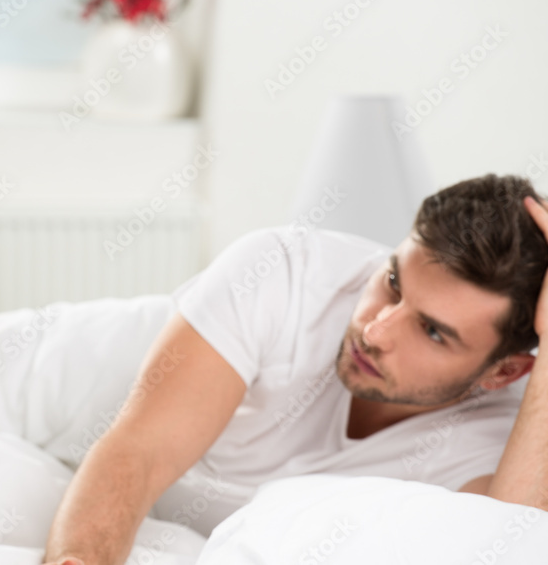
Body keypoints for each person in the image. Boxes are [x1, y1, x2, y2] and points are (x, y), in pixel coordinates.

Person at [41, 174, 548, 565]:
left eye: (433, 331)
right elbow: (140, 452)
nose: (375, 331)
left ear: (504, 374)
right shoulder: (282, 273)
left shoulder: (496, 444)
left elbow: (508, 543)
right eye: (392, 282)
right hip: (56, 388)